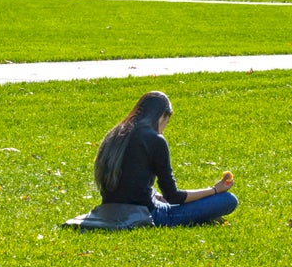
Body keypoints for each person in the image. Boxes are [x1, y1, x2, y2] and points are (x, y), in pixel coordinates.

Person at [94, 91, 238, 227]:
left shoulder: (116, 134)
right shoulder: (155, 139)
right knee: (228, 200)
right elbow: (173, 196)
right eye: (166, 122)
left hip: (109, 210)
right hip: (146, 214)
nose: (163, 129)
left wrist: (154, 194)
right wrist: (214, 190)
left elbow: (128, 179)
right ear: (162, 116)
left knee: (167, 201)